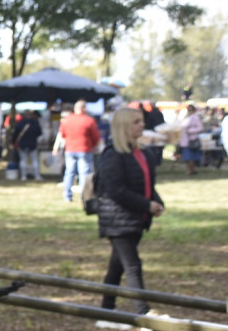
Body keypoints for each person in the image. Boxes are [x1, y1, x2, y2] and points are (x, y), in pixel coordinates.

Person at [96, 107, 164, 318]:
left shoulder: (143, 152)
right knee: (133, 265)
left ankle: (106, 312)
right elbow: (116, 190)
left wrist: (157, 202)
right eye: (136, 122)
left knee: (116, 268)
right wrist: (146, 205)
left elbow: (145, 184)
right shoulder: (112, 154)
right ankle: (144, 313)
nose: (142, 125)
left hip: (135, 218)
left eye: (141, 121)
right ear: (123, 126)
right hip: (117, 219)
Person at [55, 100, 100, 203]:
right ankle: (83, 196)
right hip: (84, 149)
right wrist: (92, 145)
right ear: (84, 109)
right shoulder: (88, 120)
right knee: (84, 173)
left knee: (69, 172)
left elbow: (63, 134)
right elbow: (96, 136)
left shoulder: (66, 120)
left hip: (70, 149)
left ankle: (67, 195)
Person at [14, 110, 43, 181]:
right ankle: (37, 176)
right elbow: (39, 133)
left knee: (23, 160)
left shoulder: (20, 123)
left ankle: (24, 176)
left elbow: (15, 134)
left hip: (22, 144)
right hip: (32, 144)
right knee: (34, 160)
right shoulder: (35, 123)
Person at [178, 103, 204, 175]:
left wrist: (190, 131)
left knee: (191, 157)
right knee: (188, 157)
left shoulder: (195, 118)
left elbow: (200, 128)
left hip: (192, 140)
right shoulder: (185, 117)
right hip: (185, 140)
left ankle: (191, 170)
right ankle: (190, 169)